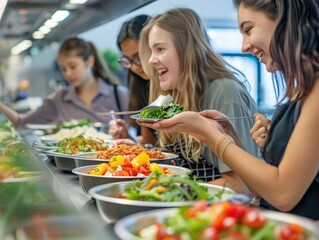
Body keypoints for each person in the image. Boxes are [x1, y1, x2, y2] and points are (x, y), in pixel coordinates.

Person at [138, 0, 319, 220]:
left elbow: (283, 194)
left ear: (283, 19)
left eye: (249, 29)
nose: (244, 46)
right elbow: (262, 190)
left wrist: (211, 135)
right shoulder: (301, 90)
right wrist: (228, 135)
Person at [138, 7, 259, 193]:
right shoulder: (175, 93)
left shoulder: (226, 93)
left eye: (160, 49)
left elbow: (241, 186)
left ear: (188, 49)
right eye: (151, 51)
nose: (152, 60)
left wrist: (169, 192)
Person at [0, 36, 129, 129]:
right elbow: (21, 123)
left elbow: (138, 138)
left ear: (89, 62)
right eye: (63, 69)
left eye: (72, 66)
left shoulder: (119, 95)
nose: (68, 74)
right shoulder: (59, 99)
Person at [108, 15, 157, 145]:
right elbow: (151, 145)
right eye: (128, 60)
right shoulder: (143, 87)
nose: (135, 66)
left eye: (139, 57)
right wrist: (128, 138)